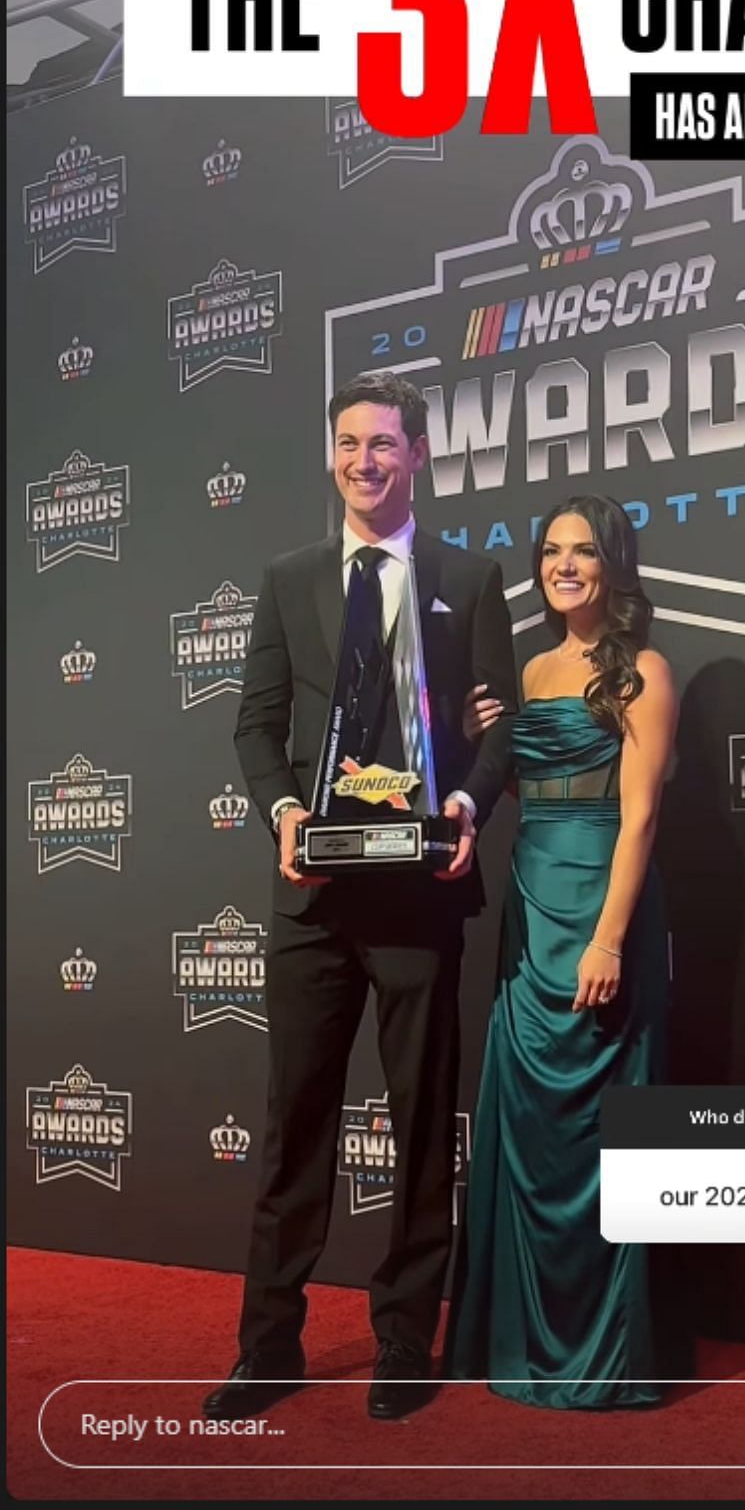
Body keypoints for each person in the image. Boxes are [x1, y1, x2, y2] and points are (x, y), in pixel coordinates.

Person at [203, 371, 517, 1424]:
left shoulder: (468, 578)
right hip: (314, 897)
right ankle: (268, 1346)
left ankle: (400, 1342)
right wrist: (284, 817)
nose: (364, 460)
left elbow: (500, 726)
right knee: (295, 1123)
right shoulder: (290, 578)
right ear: (330, 453)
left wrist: (468, 804)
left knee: (423, 1125)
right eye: (348, 442)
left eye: (384, 443)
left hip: (422, 894)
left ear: (418, 454)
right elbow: (255, 726)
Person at [443, 493, 678, 1408]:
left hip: (601, 905)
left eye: (584, 551)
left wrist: (611, 941)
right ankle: (518, 1343)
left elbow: (642, 817)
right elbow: (507, 785)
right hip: (531, 906)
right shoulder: (531, 671)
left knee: (600, 1134)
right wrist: (475, 743)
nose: (564, 566)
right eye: (550, 552)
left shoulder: (645, 672)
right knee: (532, 1130)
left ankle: (603, 1356)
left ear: (615, 564)